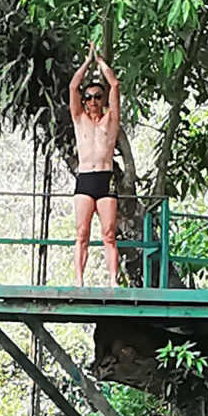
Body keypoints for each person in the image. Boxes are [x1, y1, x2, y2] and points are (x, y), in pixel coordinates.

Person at [69, 42, 121, 287]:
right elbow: (72, 86)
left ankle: (112, 280)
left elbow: (115, 85)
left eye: (96, 97)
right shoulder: (79, 120)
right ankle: (79, 279)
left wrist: (100, 62)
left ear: (102, 101)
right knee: (82, 233)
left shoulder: (110, 120)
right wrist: (87, 62)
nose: (91, 101)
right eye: (88, 97)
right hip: (85, 178)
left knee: (109, 234)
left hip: (105, 177)